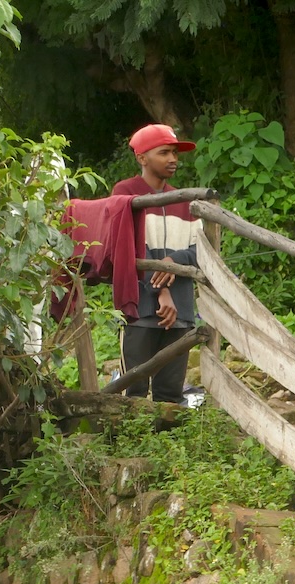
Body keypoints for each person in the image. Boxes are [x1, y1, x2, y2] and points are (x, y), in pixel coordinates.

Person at [109, 124, 202, 403]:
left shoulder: (185, 201)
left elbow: (202, 251)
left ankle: (168, 445)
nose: (173, 159)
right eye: (164, 152)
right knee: (133, 390)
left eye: (174, 152)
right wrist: (161, 289)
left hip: (181, 310)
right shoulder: (125, 193)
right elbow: (126, 247)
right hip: (140, 308)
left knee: (170, 393)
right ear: (142, 158)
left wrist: (173, 260)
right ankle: (129, 444)